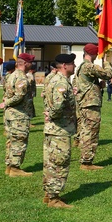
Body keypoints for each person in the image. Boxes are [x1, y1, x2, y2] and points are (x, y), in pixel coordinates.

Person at [43, 53, 78, 208]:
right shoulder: (60, 82)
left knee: (51, 163)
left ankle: (49, 194)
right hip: (59, 129)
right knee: (59, 163)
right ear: (65, 66)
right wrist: (51, 115)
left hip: (55, 129)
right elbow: (58, 106)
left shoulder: (55, 79)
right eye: (72, 64)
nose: (75, 66)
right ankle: (54, 198)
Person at [74, 43, 112, 171]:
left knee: (86, 130)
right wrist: (107, 62)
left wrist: (97, 86)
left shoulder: (81, 67)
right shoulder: (88, 66)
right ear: (92, 54)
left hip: (85, 103)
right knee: (91, 132)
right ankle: (86, 162)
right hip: (90, 104)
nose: (98, 56)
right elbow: (108, 74)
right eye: (97, 53)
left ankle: (85, 160)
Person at [1, 54, 35, 177]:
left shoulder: (11, 76)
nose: (32, 64)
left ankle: (9, 166)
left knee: (11, 140)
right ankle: (15, 168)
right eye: (31, 62)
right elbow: (19, 96)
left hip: (11, 114)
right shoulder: (21, 78)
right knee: (19, 141)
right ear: (25, 63)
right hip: (19, 114)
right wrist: (7, 103)